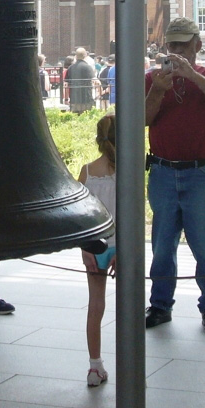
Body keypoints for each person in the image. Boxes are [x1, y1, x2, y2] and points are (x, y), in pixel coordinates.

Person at [144, 18, 205, 333]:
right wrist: (158, 89)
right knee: (162, 245)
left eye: (184, 44)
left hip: (200, 173)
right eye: (173, 45)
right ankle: (159, 306)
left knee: (204, 246)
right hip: (163, 172)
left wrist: (192, 75)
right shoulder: (153, 79)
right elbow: (142, 118)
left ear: (198, 44)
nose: (178, 50)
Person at [78, 113, 116, 387]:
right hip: (120, 245)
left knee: (95, 307)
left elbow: (80, 218)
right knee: (129, 307)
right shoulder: (128, 170)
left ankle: (94, 366)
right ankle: (130, 360)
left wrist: (85, 250)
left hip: (95, 247)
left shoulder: (87, 172)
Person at [66, 48, 97, 114]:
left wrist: (66, 98)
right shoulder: (88, 67)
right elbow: (95, 81)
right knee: (86, 117)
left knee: (75, 118)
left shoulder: (70, 68)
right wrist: (99, 93)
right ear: (85, 55)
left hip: (74, 98)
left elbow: (65, 84)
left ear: (76, 56)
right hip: (86, 98)